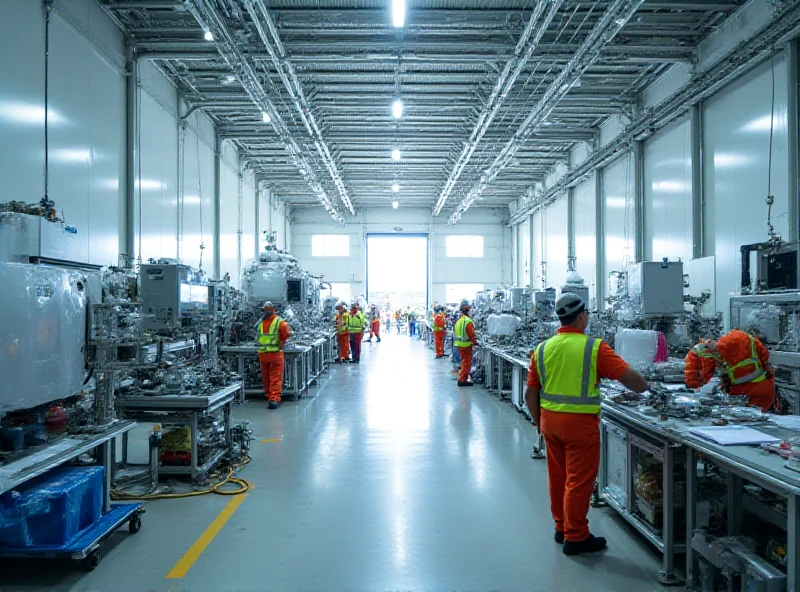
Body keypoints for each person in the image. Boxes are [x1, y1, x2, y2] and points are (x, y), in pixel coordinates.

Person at [525, 293, 648, 555]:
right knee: (579, 482)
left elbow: (530, 393)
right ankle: (576, 537)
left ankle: (562, 527)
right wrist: (647, 385)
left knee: (558, 478)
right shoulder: (594, 347)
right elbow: (630, 379)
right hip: (579, 425)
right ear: (582, 316)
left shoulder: (542, 348)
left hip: (549, 422)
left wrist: (539, 422)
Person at [714, 329, 775, 411]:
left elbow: (720, 367)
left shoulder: (724, 345)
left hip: (738, 393)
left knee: (739, 419)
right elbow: (765, 358)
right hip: (761, 389)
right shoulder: (753, 341)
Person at [257, 301, 292, 409]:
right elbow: (286, 334)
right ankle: (273, 399)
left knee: (267, 378)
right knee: (275, 377)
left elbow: (258, 337)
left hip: (264, 354)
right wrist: (281, 343)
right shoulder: (280, 322)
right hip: (275, 354)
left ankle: (269, 396)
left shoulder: (261, 323)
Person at [453, 301, 477, 386]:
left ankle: (463, 378)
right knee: (467, 363)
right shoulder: (468, 321)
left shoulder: (459, 320)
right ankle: (462, 379)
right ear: (467, 311)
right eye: (470, 310)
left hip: (459, 344)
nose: (471, 312)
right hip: (466, 345)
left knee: (463, 362)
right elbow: (471, 334)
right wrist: (475, 343)